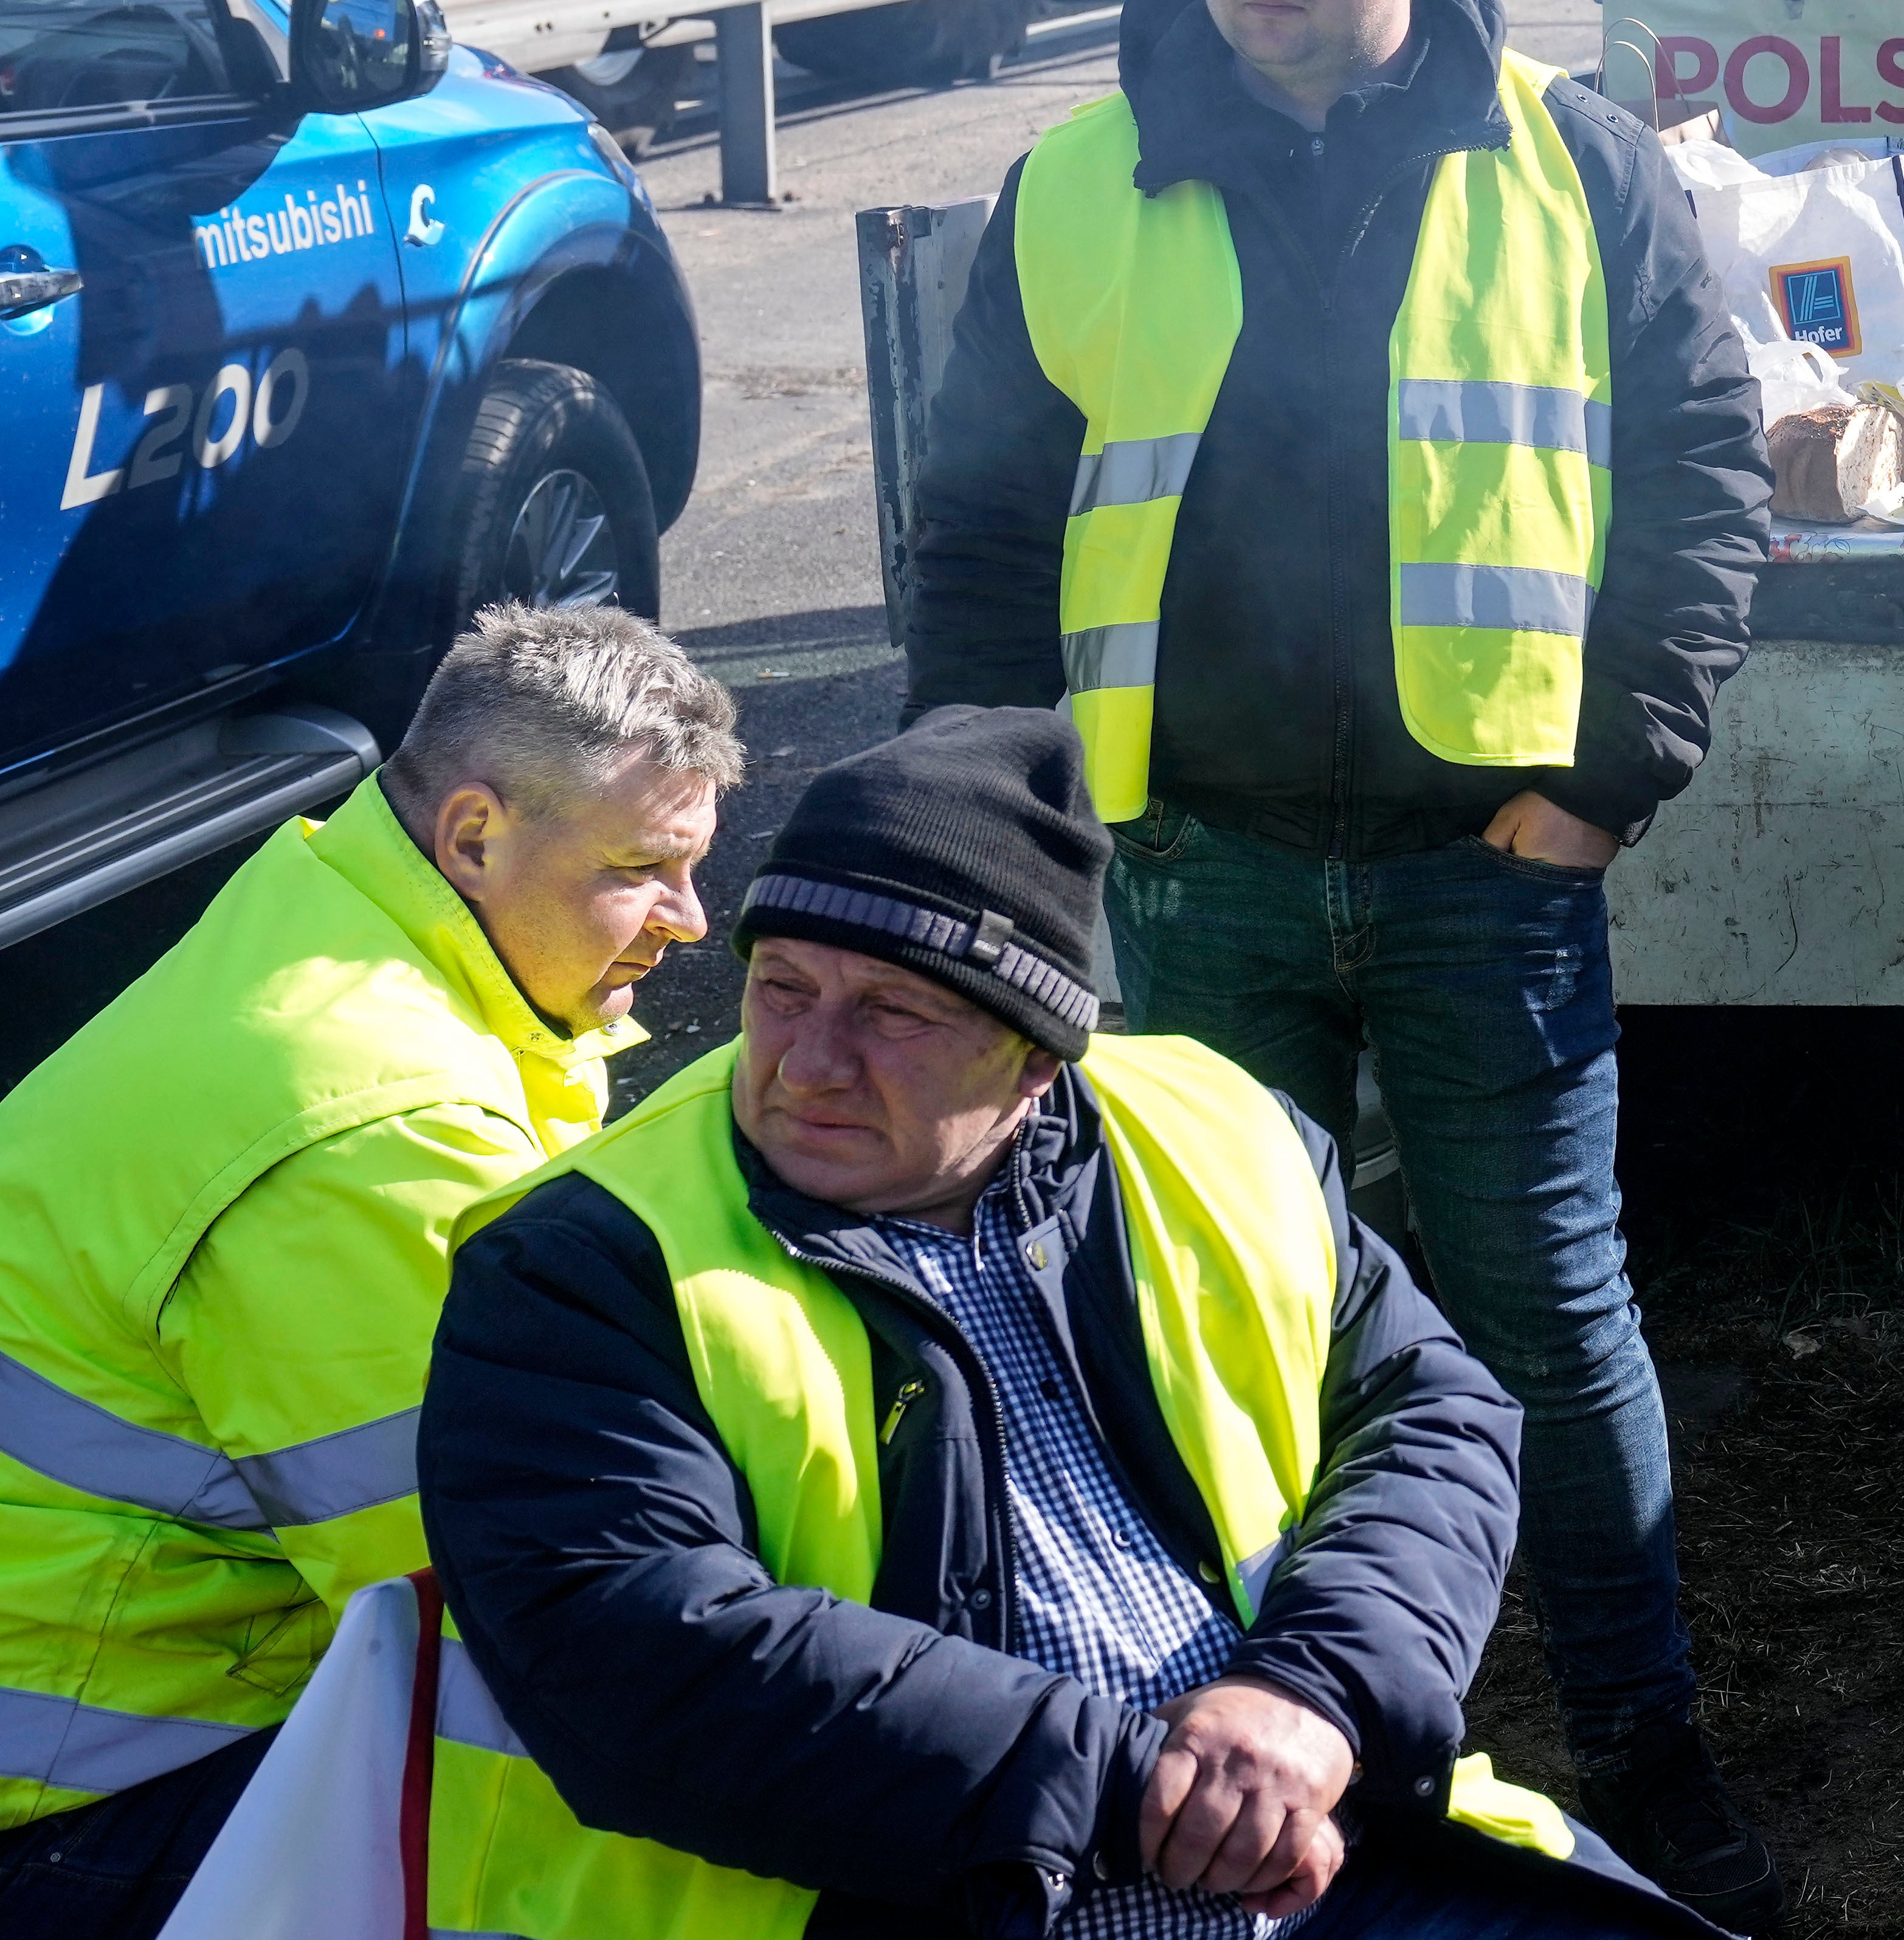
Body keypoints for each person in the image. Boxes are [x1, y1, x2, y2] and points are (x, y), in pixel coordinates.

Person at [903, 0, 1779, 1924]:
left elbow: (1700, 471)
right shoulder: (1082, 176)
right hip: (1187, 869)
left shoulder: (1573, 163)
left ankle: (1651, 1751)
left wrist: (1603, 784)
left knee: (1548, 1328)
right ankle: (1285, 1762)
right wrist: (1003, 841)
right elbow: (990, 539)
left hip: (1490, 865)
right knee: (1222, 1339)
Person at [422, 710, 1706, 1935]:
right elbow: (648, 1648)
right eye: (782, 986)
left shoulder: (1214, 1128)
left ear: (1041, 1058)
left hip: (1328, 1858)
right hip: (900, 1902)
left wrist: (1315, 1693)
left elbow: (1431, 1409)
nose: (807, 1061)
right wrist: (1157, 1789)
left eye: (892, 1013)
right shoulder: (578, 1261)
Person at [0, 607, 730, 1937]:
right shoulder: (372, 1126)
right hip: (73, 1794)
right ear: (471, 836)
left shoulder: (338, 909)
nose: (691, 923)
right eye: (643, 868)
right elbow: (493, 1585)